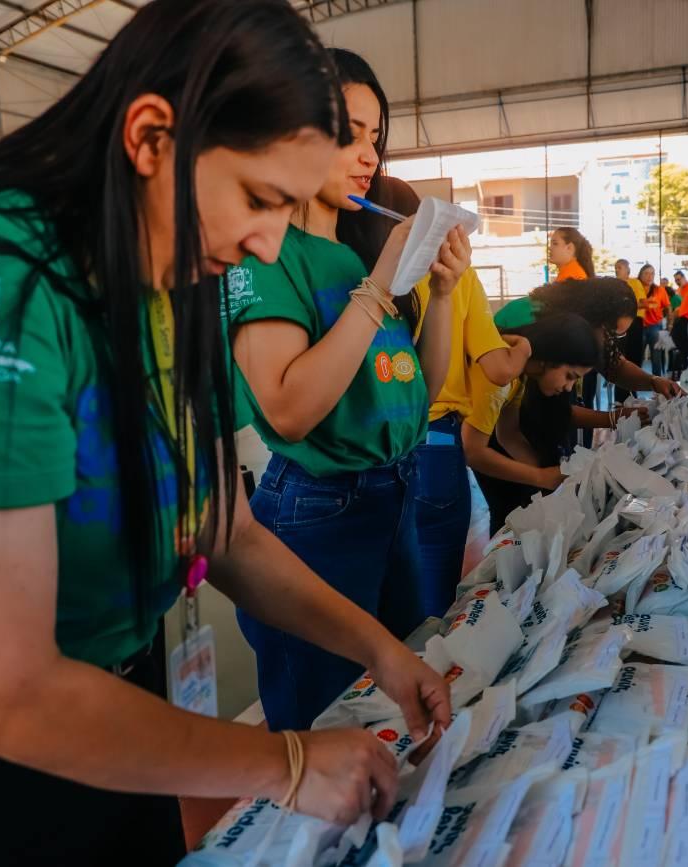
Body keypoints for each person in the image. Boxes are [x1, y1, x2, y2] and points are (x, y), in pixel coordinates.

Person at [0, 3, 452, 866]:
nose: (265, 242)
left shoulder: (167, 278)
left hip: (102, 714)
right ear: (149, 139)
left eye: (288, 208)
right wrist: (282, 760)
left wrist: (379, 647)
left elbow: (228, 530)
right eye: (257, 199)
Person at [229, 48, 470, 732]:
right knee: (327, 727)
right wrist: (376, 289)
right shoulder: (269, 253)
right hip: (318, 513)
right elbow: (287, 409)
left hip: (393, 495)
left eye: (374, 137)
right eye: (348, 133)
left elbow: (418, 399)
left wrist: (444, 294)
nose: (367, 154)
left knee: (400, 710)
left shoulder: (357, 251)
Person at [344, 176, 529, 616]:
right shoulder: (454, 275)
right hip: (437, 445)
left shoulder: (358, 281)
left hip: (374, 448)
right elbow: (498, 368)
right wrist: (526, 348)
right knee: (431, 605)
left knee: (379, 606)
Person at [463, 314, 601, 532]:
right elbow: (472, 451)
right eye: (569, 375)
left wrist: (552, 478)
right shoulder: (500, 375)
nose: (568, 387)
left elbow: (508, 434)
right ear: (552, 356)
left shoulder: (519, 375)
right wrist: (541, 477)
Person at [494, 278, 682, 413]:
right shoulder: (531, 322)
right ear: (596, 317)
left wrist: (654, 382)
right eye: (611, 333)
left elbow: (614, 365)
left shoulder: (579, 329)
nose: (611, 342)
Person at [612, 258, 645, 403]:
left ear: (628, 270)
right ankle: (620, 397)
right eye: (615, 267)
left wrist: (626, 304)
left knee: (634, 358)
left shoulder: (634, 283)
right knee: (619, 359)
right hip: (618, 324)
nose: (617, 270)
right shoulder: (612, 285)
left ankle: (633, 394)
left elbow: (642, 303)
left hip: (634, 323)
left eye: (620, 267)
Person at [639, 264, 673, 376]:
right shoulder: (636, 288)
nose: (650, 276)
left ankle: (657, 387)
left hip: (656, 326)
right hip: (639, 326)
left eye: (652, 273)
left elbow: (668, 307)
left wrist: (669, 324)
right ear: (641, 274)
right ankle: (634, 386)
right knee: (637, 357)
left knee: (656, 357)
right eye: (646, 273)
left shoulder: (659, 290)